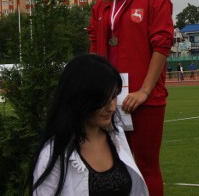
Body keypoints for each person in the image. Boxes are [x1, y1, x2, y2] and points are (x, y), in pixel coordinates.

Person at [88, 0, 173, 196]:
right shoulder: (102, 5)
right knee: (108, 166)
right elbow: (94, 50)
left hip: (144, 99)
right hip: (107, 100)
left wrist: (144, 91)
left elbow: (161, 47)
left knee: (146, 167)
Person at [31, 54, 148, 196]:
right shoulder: (52, 154)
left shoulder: (117, 136)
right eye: (103, 100)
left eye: (114, 96)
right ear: (80, 98)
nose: (111, 107)